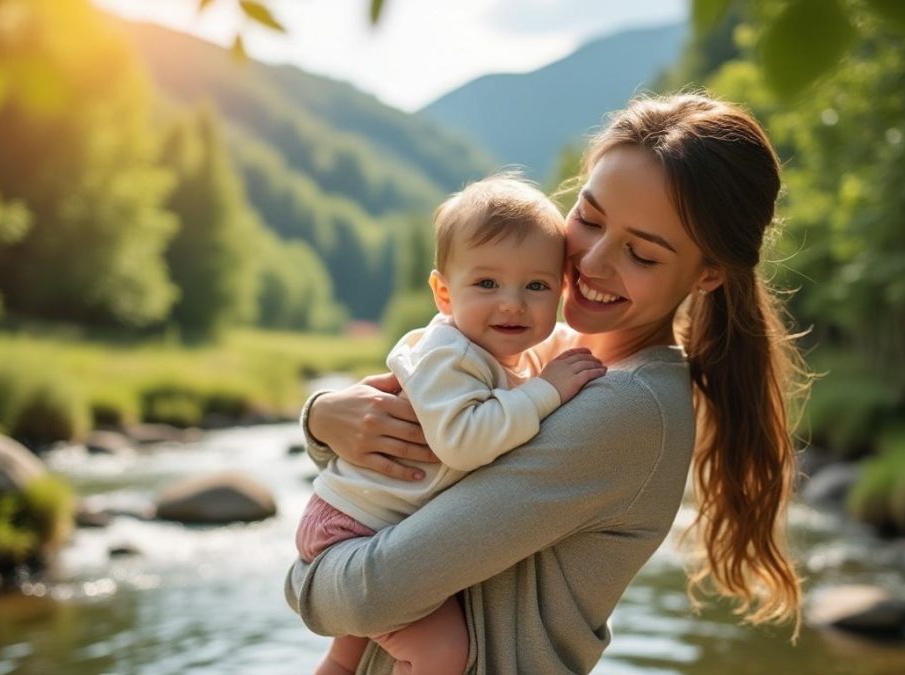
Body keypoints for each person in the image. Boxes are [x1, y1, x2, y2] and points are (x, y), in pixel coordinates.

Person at [286, 93, 808, 675]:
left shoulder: (627, 410)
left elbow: (368, 597)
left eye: (640, 253)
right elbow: (417, 448)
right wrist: (323, 419)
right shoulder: (539, 349)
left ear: (707, 273)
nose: (593, 262)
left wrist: (305, 579)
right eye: (589, 219)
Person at [295, 175, 607, 675]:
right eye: (487, 284)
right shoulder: (451, 356)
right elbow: (463, 443)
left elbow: (561, 345)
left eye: (536, 286)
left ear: (561, 290)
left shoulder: (496, 350)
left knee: (344, 657)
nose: (512, 303)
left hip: (368, 519)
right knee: (441, 652)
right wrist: (546, 391)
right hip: (352, 527)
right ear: (444, 292)